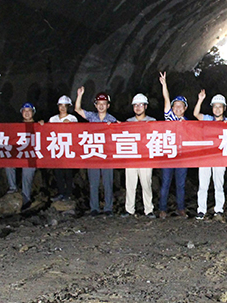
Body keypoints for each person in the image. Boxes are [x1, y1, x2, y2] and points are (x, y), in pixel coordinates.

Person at [75, 86, 118, 216]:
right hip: (93, 154)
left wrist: (114, 127)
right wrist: (80, 95)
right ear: (95, 105)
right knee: (93, 183)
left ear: (108, 105)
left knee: (107, 183)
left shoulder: (111, 119)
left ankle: (108, 208)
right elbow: (77, 110)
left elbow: (123, 129)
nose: (101, 106)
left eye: (104, 104)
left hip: (107, 155)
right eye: (99, 103)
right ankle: (94, 208)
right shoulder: (92, 117)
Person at [193, 90, 227, 220]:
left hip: (220, 157)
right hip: (205, 156)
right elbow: (196, 114)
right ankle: (201, 210)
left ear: (224, 108)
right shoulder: (208, 119)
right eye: (215, 106)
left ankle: (219, 209)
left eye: (220, 106)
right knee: (203, 185)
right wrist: (200, 100)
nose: (217, 109)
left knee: (218, 184)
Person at [158, 72, 189, 219]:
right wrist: (164, 84)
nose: (178, 108)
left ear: (185, 108)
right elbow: (166, 99)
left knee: (181, 184)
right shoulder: (169, 117)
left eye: (181, 106)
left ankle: (180, 208)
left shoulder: (188, 122)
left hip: (182, 157)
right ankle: (162, 209)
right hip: (168, 155)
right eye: (175, 106)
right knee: (165, 183)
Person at [122, 93, 156, 218]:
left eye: (141, 105)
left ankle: (149, 209)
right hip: (131, 157)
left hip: (146, 158)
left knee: (146, 184)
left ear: (146, 106)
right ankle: (129, 209)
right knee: (130, 184)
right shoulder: (128, 122)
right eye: (135, 105)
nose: (138, 107)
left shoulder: (152, 121)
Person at [5, 102, 39, 209]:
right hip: (20, 153)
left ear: (33, 113)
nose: (27, 113)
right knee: (8, 164)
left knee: (28, 172)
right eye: (25, 111)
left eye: (29, 111)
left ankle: (26, 198)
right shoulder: (17, 127)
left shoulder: (39, 126)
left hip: (32, 155)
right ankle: (12, 188)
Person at [49, 95, 78, 201]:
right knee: (58, 173)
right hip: (57, 149)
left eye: (65, 106)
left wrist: (70, 125)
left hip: (68, 150)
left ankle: (68, 193)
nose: (62, 108)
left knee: (68, 173)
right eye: (60, 105)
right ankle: (61, 192)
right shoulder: (53, 119)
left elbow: (76, 133)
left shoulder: (72, 118)